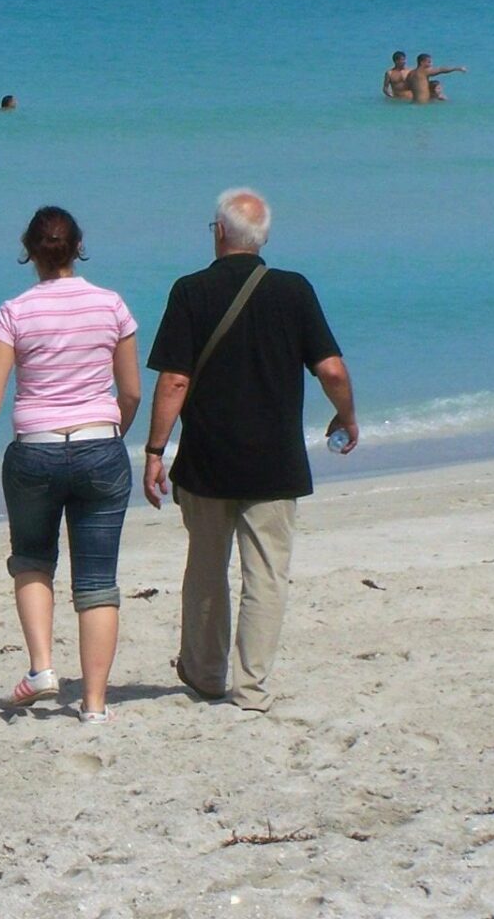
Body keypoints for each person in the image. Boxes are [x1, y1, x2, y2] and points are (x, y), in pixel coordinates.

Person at [142, 188, 358, 714]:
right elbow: (330, 368)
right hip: (276, 461)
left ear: (218, 231)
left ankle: (206, 674)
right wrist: (347, 415)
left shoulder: (190, 291)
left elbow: (174, 380)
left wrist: (154, 449)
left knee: (206, 569)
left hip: (208, 459)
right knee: (265, 574)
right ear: (263, 240)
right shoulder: (294, 290)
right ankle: (253, 687)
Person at [0, 207, 141, 723]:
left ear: (29, 251)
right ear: (78, 246)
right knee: (99, 579)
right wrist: (108, 437)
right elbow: (130, 391)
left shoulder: (14, 312)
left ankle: (41, 668)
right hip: (99, 445)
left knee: (33, 558)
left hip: (34, 449)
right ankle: (96, 706)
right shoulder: (111, 306)